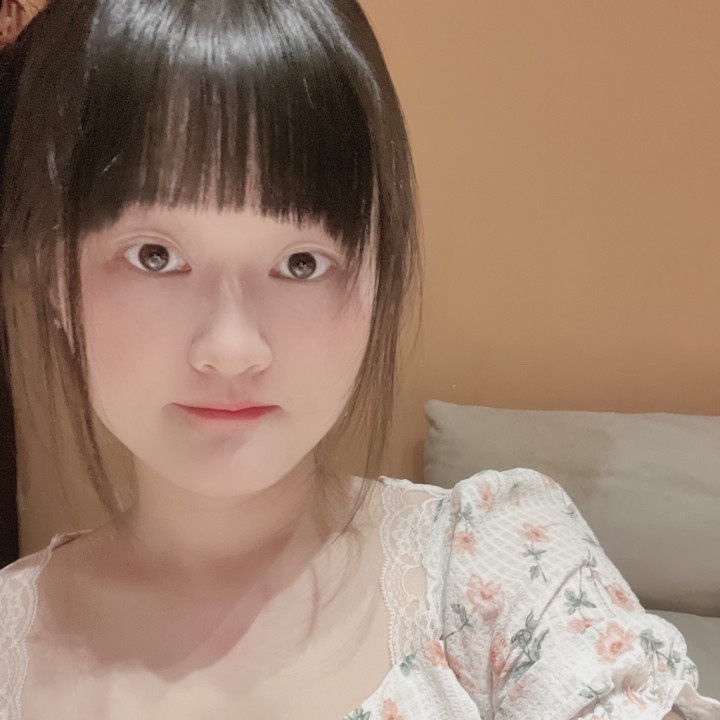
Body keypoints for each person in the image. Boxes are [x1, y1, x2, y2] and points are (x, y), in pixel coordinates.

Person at [0, 1, 718, 719]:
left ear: (378, 279)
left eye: (302, 262)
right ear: (52, 273)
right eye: (155, 256)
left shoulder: (500, 571)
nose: (232, 348)